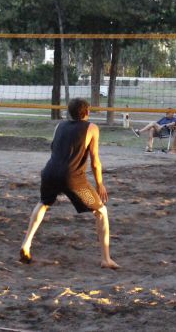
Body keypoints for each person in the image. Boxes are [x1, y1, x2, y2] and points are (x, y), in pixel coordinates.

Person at [19, 98, 119, 269]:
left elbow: (55, 149)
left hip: (49, 173)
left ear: (69, 112)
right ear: (87, 112)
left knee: (43, 203)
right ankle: (106, 259)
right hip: (73, 179)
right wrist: (100, 184)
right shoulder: (92, 128)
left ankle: (26, 244)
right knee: (101, 211)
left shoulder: (59, 126)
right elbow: (95, 161)